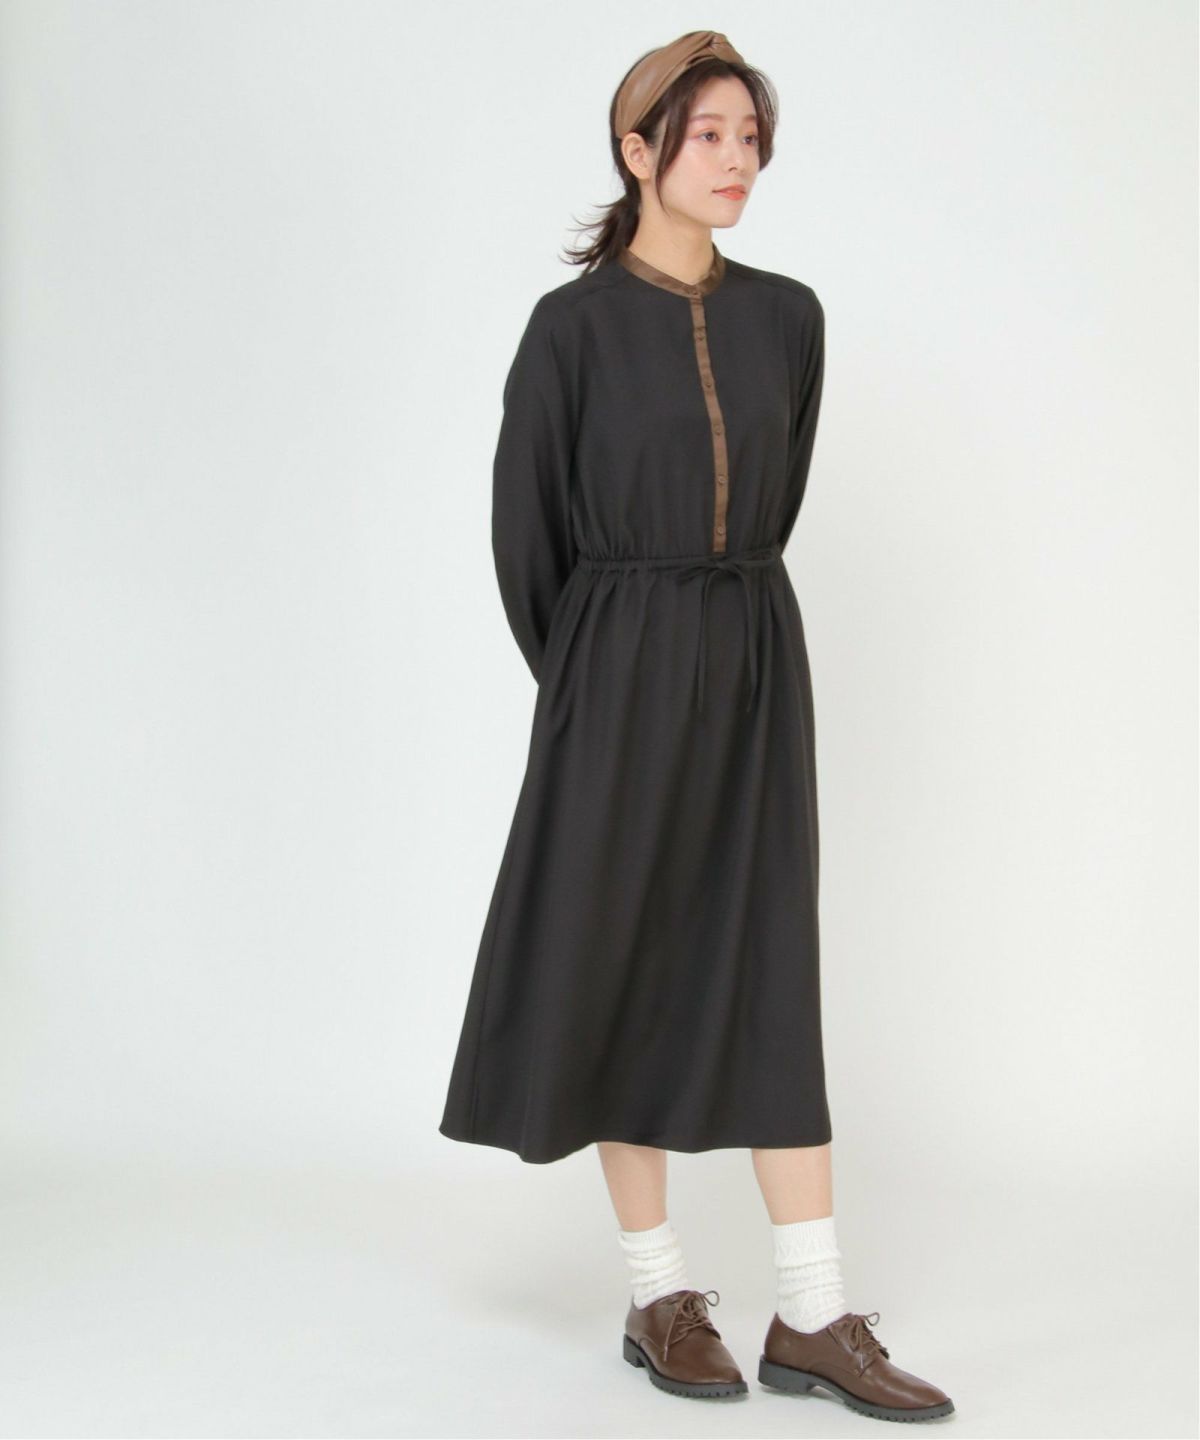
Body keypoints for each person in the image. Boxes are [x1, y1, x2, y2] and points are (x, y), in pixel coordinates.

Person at [439, 29, 954, 1423]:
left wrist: (714, 633)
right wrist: (599, 679)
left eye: (749, 137)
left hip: (754, 655)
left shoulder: (790, 317)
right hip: (612, 670)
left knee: (768, 951)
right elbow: (525, 540)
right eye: (708, 135)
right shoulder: (571, 329)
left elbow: (777, 497)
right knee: (623, 958)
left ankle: (814, 1315)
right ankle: (659, 1290)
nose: (737, 160)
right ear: (638, 152)